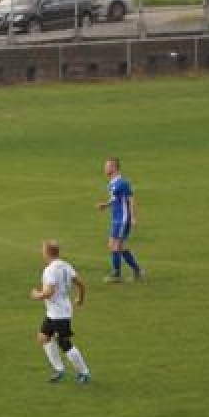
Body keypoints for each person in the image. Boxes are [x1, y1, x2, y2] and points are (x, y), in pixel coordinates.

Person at [30, 239, 91, 384]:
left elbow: (49, 292)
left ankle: (84, 372)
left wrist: (36, 295)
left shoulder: (50, 270)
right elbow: (81, 284)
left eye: (43, 250)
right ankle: (59, 369)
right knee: (43, 337)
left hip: (59, 313)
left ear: (47, 253)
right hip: (56, 311)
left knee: (64, 343)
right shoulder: (65, 265)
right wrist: (80, 299)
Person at [97, 157, 142, 282]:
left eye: (107, 166)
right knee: (116, 246)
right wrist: (105, 205)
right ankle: (137, 270)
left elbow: (131, 200)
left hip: (123, 219)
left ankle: (117, 274)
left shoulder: (123, 183)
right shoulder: (112, 183)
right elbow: (115, 199)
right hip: (116, 218)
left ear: (114, 167)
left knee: (115, 245)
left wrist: (133, 217)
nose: (104, 168)